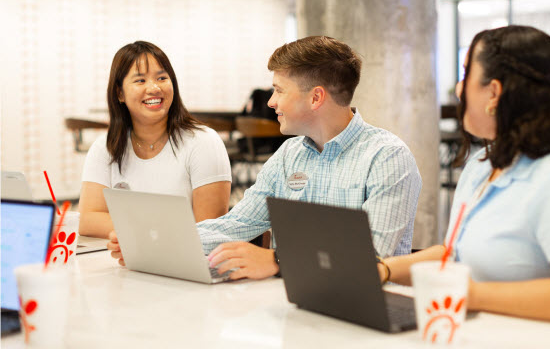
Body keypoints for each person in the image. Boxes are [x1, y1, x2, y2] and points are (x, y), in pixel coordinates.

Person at [108, 36, 422, 280]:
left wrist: (276, 260)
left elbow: (369, 255)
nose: (270, 102)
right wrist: (155, 240)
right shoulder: (289, 156)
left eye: (278, 90)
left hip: (364, 318)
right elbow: (236, 225)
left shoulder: (387, 158)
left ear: (316, 97)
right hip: (294, 306)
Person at [377, 25, 550, 324]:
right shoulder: (484, 165)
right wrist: (385, 269)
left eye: (465, 75)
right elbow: (458, 253)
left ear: (494, 92)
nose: (459, 90)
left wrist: (466, 293)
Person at [79, 41, 232, 239]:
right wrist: (150, 231)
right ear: (119, 93)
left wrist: (137, 231)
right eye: (140, 81)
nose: (154, 88)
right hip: (122, 260)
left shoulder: (203, 142)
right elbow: (87, 219)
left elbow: (208, 232)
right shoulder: (105, 147)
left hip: (186, 264)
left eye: (162, 78)